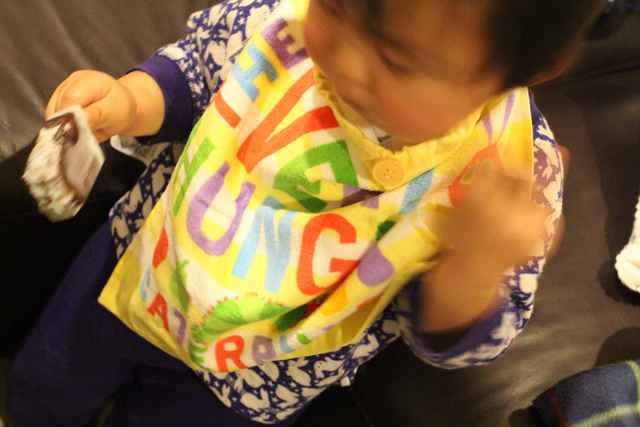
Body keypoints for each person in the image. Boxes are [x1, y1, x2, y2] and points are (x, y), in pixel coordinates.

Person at [6, 0, 608, 426]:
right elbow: (195, 70)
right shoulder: (285, 23)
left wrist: (472, 269)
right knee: (50, 377)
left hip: (256, 376)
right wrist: (128, 100)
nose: (340, 56)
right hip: (139, 262)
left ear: (525, 71)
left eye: (396, 60)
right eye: (334, 8)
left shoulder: (512, 177)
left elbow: (457, 346)